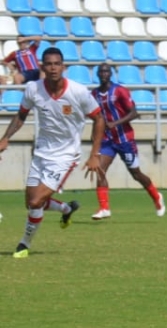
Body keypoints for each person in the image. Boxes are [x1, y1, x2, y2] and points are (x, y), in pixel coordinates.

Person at [0, 47, 103, 259]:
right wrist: (5, 137)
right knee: (30, 202)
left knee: (36, 202)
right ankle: (66, 209)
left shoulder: (78, 92)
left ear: (63, 67)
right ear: (42, 67)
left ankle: (23, 245)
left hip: (65, 156)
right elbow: (21, 115)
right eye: (49, 64)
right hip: (41, 153)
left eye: (57, 64)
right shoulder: (33, 89)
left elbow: (99, 118)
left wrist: (95, 154)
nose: (53, 68)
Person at [89, 63, 165, 220]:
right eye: (101, 71)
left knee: (136, 174)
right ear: (97, 74)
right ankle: (104, 208)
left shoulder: (119, 91)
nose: (104, 74)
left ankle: (156, 196)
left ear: (111, 74)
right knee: (100, 169)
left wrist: (115, 123)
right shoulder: (94, 94)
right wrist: (94, 134)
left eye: (106, 71)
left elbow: (134, 113)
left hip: (124, 139)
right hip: (107, 140)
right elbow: (96, 118)